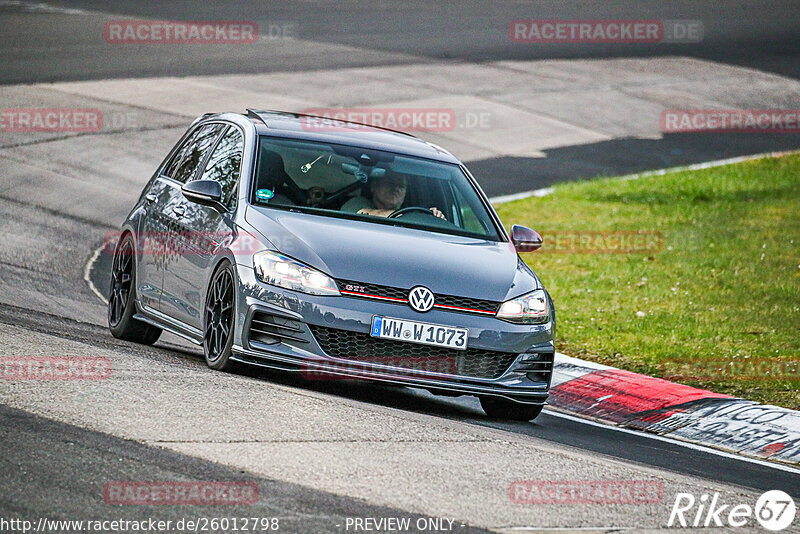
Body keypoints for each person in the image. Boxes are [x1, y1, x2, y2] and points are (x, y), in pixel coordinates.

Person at [341, 174, 445, 219]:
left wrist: (434, 218)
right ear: (374, 187)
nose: (396, 187)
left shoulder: (412, 218)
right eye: (390, 182)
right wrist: (417, 217)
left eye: (401, 185)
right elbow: (361, 213)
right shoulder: (356, 203)